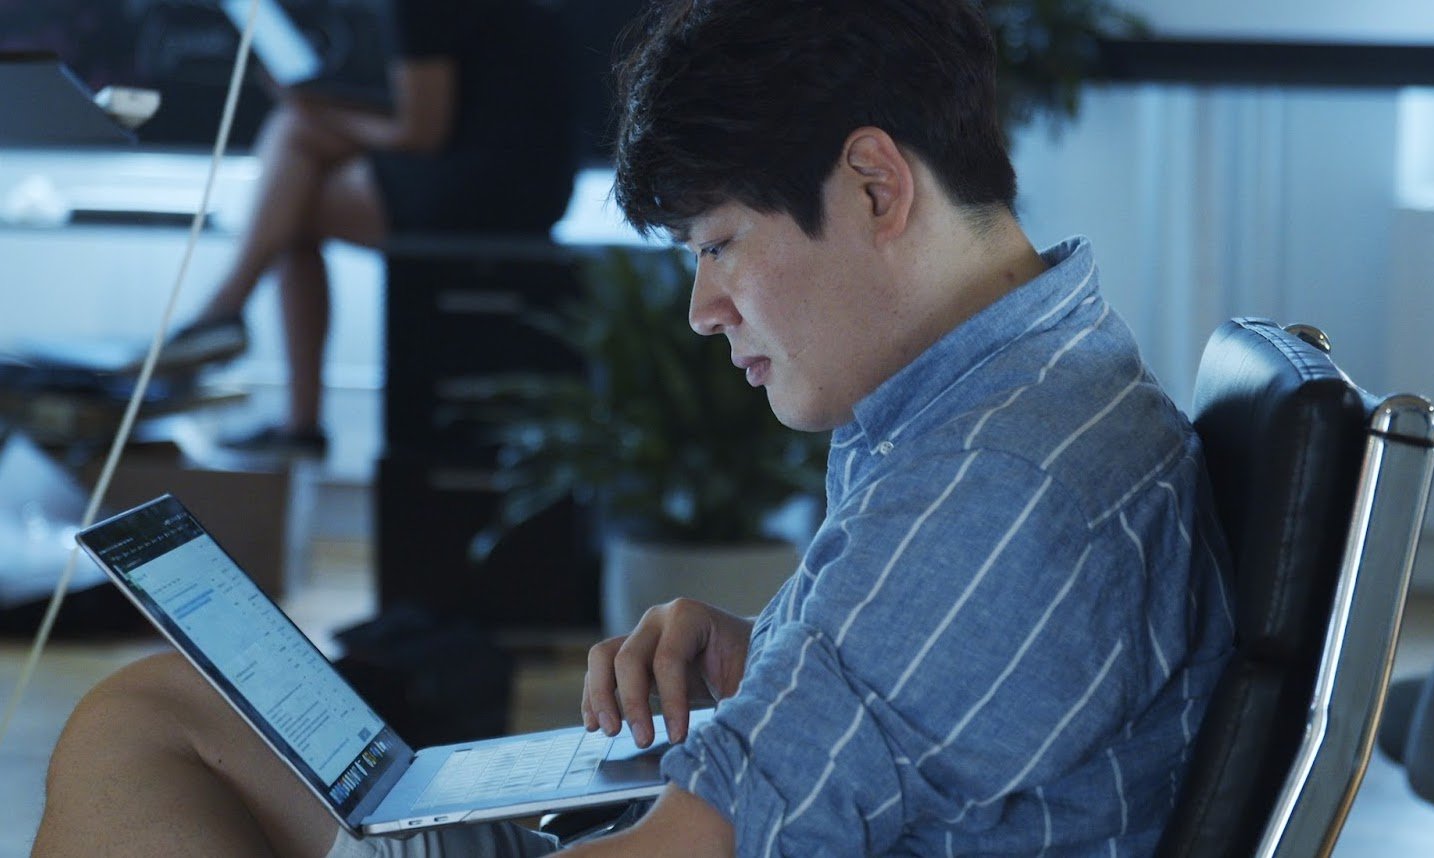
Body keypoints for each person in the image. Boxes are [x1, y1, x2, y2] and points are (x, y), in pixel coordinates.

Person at [34, 0, 1235, 855]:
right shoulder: (1020, 388)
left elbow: (703, 844)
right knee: (162, 709)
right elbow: (949, 690)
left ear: (875, 186)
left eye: (718, 245)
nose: (707, 311)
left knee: (138, 743)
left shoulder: (995, 480)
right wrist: (765, 652)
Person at [155, 0, 577, 457]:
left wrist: (319, 111)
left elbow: (422, 133)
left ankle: (232, 325)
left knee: (294, 179)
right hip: (538, 182)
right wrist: (322, 104)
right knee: (295, 160)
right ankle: (240, 338)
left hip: (486, 187)